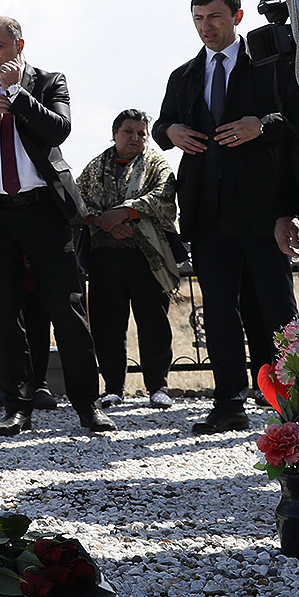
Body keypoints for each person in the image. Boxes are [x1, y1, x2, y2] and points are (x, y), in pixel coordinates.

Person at [0, 16, 112, 436]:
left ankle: (87, 405)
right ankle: (17, 406)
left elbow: (59, 130)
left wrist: (17, 94)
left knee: (66, 309)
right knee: (4, 316)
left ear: (19, 45)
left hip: (44, 212)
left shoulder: (48, 82)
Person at [153, 0, 299, 435]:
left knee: (277, 309)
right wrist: (171, 132)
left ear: (236, 17)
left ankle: (294, 404)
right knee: (219, 312)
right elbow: (161, 124)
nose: (206, 27)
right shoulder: (184, 76)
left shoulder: (268, 66)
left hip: (262, 208)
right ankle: (229, 403)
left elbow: (298, 119)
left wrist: (262, 125)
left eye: (214, 17)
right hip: (206, 213)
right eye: (198, 18)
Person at [77, 109, 179, 409]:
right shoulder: (96, 166)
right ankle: (112, 387)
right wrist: (102, 221)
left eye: (141, 134)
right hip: (104, 257)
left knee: (153, 323)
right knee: (107, 325)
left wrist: (125, 213)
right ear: (114, 134)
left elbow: (163, 198)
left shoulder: (156, 165)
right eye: (128, 132)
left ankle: (158, 387)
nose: (135, 138)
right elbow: (78, 200)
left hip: (147, 258)